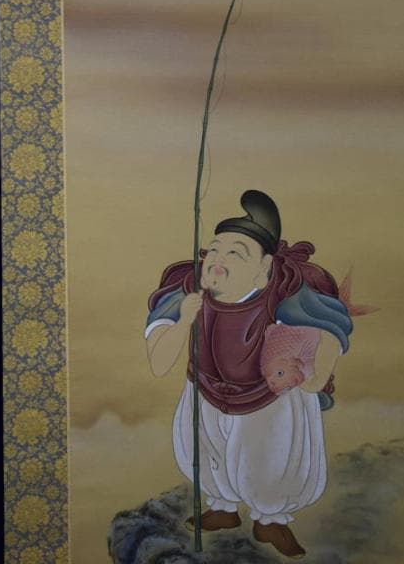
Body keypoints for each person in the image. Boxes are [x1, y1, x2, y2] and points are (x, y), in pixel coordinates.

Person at [144, 190, 353, 559]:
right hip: (205, 391)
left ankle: (270, 520)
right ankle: (223, 507)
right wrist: (184, 321)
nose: (218, 260)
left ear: (264, 267)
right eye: (214, 250)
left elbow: (329, 329)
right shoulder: (187, 292)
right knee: (205, 451)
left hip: (267, 397)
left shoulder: (283, 296)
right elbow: (159, 363)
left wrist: (316, 378)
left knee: (268, 463)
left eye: (235, 253)